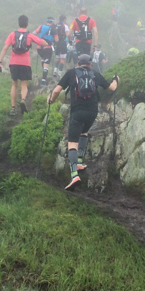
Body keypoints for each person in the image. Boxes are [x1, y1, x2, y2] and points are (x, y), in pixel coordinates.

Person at [48, 54, 118, 191]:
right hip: (92, 111)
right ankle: (80, 161)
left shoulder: (71, 73)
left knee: (72, 142)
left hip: (77, 111)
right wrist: (116, 79)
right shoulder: (95, 74)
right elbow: (112, 88)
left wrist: (51, 100)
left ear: (78, 63)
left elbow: (57, 90)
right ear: (90, 65)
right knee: (84, 132)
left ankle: (74, 175)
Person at [0, 15, 49, 116]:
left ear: (18, 23)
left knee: (14, 84)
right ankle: (23, 100)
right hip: (25, 63)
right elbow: (44, 43)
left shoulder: (12, 35)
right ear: (27, 24)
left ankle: (13, 108)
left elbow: (5, 48)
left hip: (13, 63)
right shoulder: (29, 36)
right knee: (24, 84)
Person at [33, 17, 56, 86]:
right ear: (52, 22)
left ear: (47, 21)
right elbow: (57, 39)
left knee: (43, 59)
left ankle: (43, 75)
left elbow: (33, 33)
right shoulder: (54, 28)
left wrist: (37, 40)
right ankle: (43, 81)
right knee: (46, 63)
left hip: (39, 48)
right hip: (48, 48)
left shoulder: (41, 27)